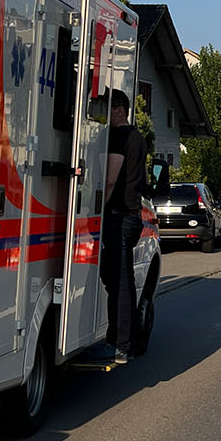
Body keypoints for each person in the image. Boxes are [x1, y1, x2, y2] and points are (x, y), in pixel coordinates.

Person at [95, 89, 147, 364]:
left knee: (118, 283)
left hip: (117, 217)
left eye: (105, 108)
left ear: (118, 109)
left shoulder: (119, 137)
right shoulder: (138, 138)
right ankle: (132, 341)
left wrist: (95, 208)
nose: (103, 115)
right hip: (132, 215)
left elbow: (111, 179)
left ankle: (119, 344)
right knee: (122, 281)